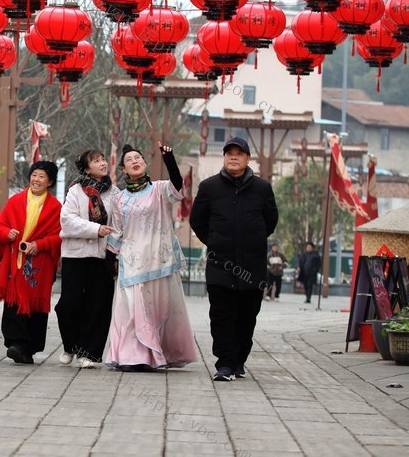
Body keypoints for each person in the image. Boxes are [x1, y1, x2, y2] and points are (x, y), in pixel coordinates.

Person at [190, 136, 279, 382]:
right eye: (229, 152)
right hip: (221, 266)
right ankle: (225, 364)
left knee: (247, 317)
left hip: (252, 267)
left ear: (247, 158)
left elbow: (270, 221)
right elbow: (197, 220)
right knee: (221, 317)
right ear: (224, 157)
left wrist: (254, 238)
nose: (233, 156)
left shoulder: (262, 188)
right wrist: (215, 240)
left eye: (239, 153)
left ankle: (239, 360)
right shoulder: (209, 187)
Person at [104, 143, 197, 372]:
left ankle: (153, 355)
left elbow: (178, 188)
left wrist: (170, 159)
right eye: (129, 160)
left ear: (144, 163)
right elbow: (116, 230)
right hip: (131, 261)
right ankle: (129, 356)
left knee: (157, 311)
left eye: (138, 157)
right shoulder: (120, 198)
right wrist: (110, 261)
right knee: (130, 311)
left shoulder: (159, 189)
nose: (135, 161)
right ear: (124, 170)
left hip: (158, 261)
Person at [0, 161, 63, 364]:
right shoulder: (16, 201)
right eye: (34, 175)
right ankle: (16, 344)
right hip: (16, 262)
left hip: (40, 265)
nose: (36, 179)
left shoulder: (56, 207)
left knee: (35, 305)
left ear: (50, 182)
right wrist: (7, 233)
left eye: (42, 176)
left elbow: (59, 236)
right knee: (14, 301)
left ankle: (28, 348)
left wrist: (39, 245)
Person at [56, 149, 119, 369]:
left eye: (103, 160)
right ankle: (70, 345)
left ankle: (90, 353)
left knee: (98, 305)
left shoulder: (114, 192)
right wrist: (96, 229)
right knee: (68, 305)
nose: (102, 163)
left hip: (103, 257)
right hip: (76, 255)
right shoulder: (75, 191)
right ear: (86, 168)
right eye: (96, 161)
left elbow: (120, 223)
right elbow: (67, 220)